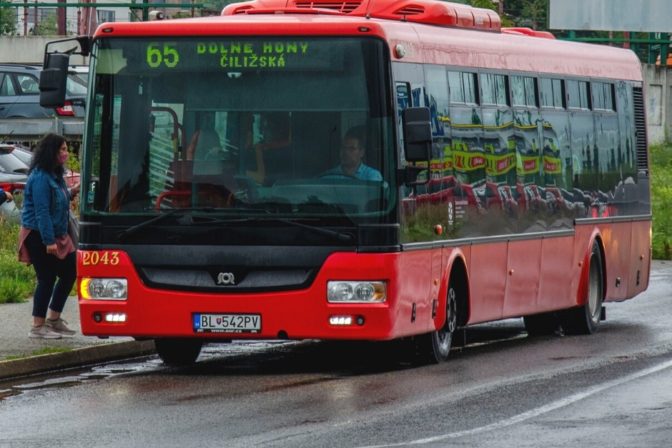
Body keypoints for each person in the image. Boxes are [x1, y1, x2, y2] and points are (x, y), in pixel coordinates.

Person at [18, 133, 80, 339]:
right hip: (39, 235)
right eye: (61, 149)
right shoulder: (40, 177)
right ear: (51, 152)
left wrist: (73, 191)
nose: (65, 153)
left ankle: (54, 319)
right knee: (46, 278)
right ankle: (37, 326)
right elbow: (41, 211)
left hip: (58, 234)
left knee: (70, 271)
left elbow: (59, 199)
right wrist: (49, 241)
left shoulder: (55, 174)